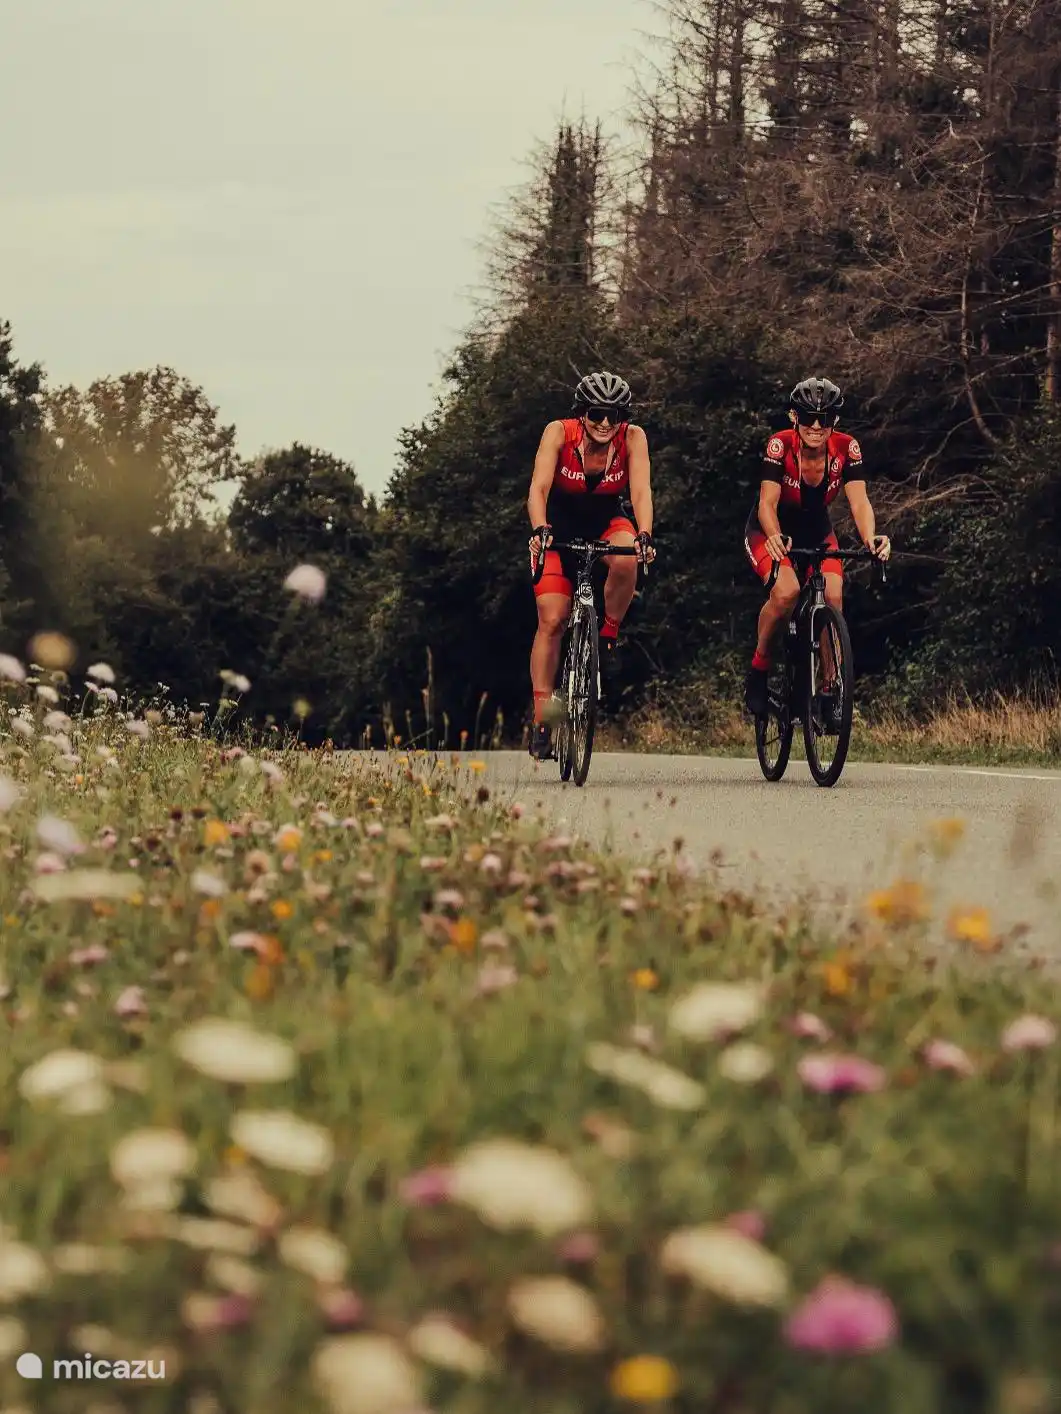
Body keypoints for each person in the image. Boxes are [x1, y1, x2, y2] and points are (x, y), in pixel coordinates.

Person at [742, 376, 890, 724]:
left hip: (816, 531)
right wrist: (775, 535)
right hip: (770, 529)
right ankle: (759, 670)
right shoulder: (780, 444)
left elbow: (859, 502)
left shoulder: (847, 447)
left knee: (833, 596)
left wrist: (871, 539)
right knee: (786, 593)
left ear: (834, 420)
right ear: (794, 417)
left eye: (825, 419)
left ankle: (830, 689)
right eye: (808, 417)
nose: (816, 426)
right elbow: (767, 503)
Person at [526, 371, 656, 761]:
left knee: (628, 554)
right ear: (582, 413)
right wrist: (539, 528)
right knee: (552, 619)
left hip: (605, 520)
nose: (604, 422)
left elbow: (641, 491)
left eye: (613, 415)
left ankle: (607, 636)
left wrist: (645, 533)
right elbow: (538, 488)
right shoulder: (558, 433)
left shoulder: (632, 438)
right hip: (557, 529)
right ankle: (543, 719)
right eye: (596, 413)